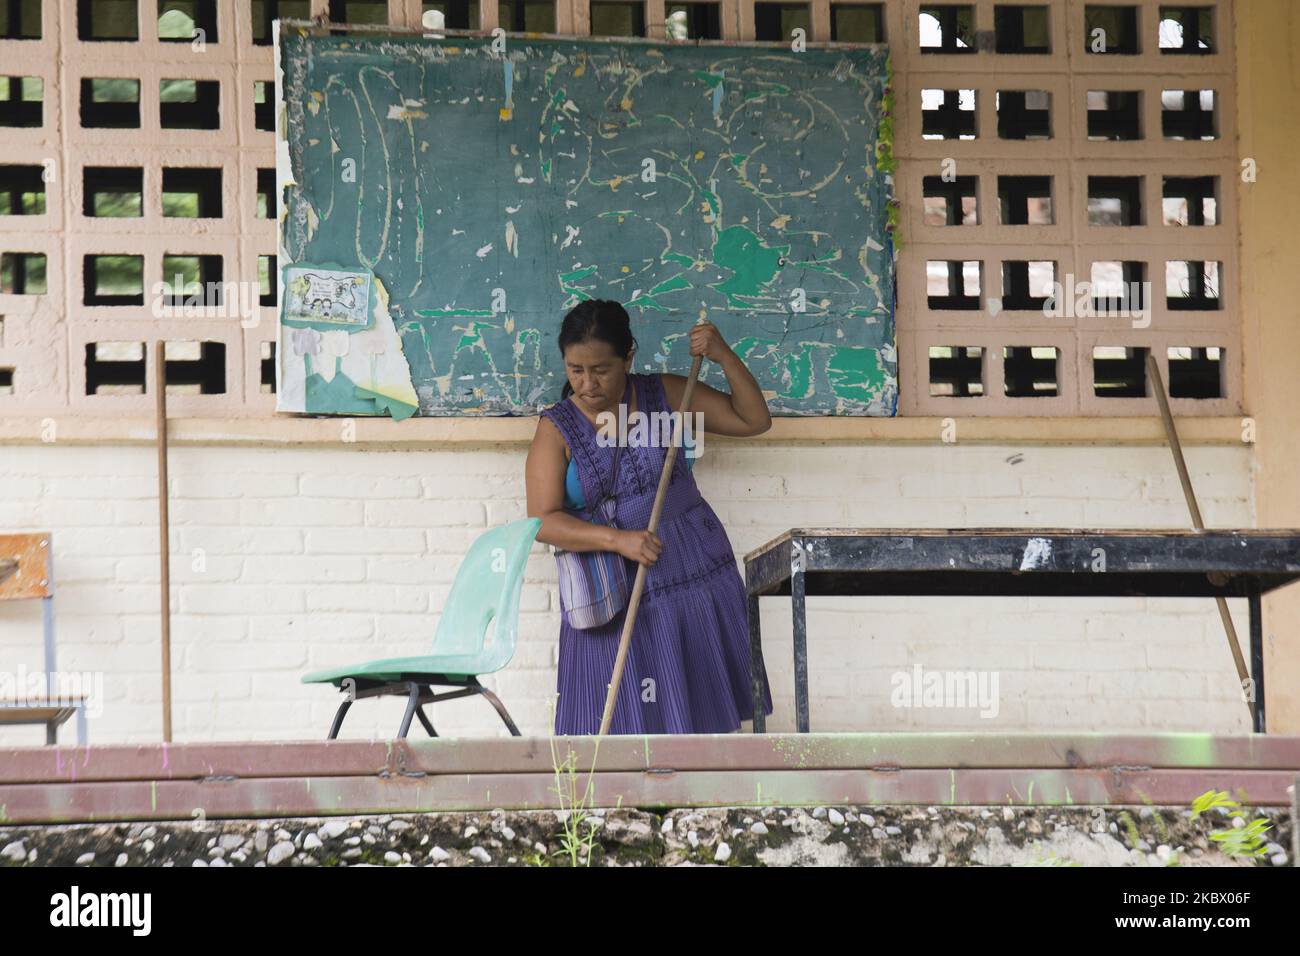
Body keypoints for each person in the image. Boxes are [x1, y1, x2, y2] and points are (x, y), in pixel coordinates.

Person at [525, 299, 775, 735]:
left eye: (601, 369)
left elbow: (753, 420)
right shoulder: (557, 427)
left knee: (699, 708)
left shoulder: (667, 395)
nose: (587, 383)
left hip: (694, 566)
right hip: (610, 584)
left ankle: (698, 795)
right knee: (619, 712)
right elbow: (542, 520)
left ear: (628, 357)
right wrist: (616, 540)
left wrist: (723, 356)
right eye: (575, 370)